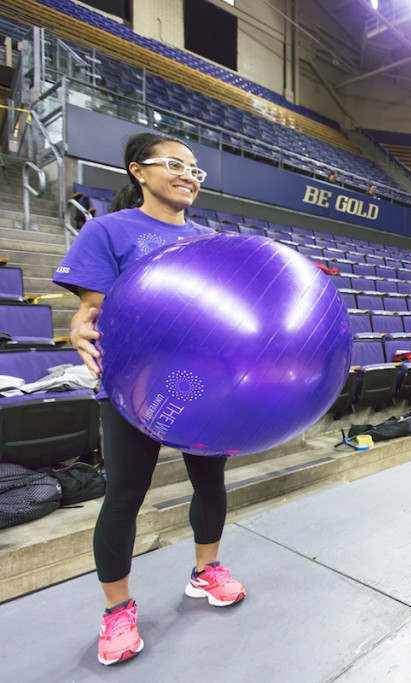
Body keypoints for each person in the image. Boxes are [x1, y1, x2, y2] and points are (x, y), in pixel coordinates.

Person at [54, 133, 246, 666]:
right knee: (124, 496)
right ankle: (117, 609)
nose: (189, 175)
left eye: (195, 170)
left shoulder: (210, 240)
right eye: (176, 165)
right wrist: (80, 320)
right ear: (138, 171)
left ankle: (206, 571)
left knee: (210, 482)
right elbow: (96, 310)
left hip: (201, 388)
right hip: (132, 388)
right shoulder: (108, 230)